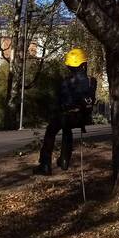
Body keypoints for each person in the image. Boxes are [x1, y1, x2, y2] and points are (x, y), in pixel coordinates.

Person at [34, 48, 97, 176]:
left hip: (66, 116)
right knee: (66, 129)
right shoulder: (92, 81)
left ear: (70, 66)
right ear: (84, 64)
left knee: (51, 131)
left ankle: (46, 164)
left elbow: (59, 103)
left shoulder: (65, 82)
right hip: (83, 117)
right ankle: (64, 160)